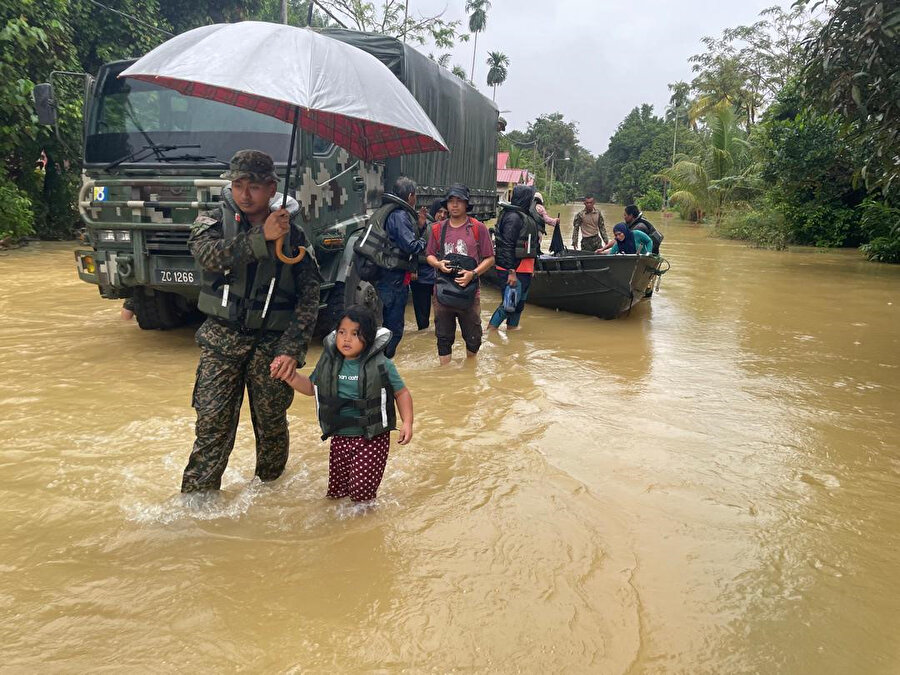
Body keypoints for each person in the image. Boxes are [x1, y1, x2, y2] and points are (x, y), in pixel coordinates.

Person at [180, 150, 321, 494]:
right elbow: (209, 256)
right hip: (221, 341)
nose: (245, 194)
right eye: (238, 184)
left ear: (271, 188)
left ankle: (269, 499)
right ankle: (198, 503)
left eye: (254, 186)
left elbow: (309, 296)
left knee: (272, 426)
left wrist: (292, 350)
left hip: (272, 347)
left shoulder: (295, 236)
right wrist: (262, 238)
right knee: (211, 424)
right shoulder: (211, 222)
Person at [275, 305, 413, 503]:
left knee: (361, 493)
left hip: (371, 438)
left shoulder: (382, 364)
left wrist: (407, 422)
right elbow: (311, 388)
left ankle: (365, 525)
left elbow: (402, 392)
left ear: (369, 337)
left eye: (355, 334)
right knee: (337, 492)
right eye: (342, 332)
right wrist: (290, 376)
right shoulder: (329, 362)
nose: (346, 338)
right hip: (340, 436)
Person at [425, 183, 495, 365]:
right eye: (451, 201)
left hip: (470, 294)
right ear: (446, 204)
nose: (454, 205)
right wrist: (439, 264)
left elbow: (490, 258)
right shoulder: (437, 229)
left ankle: (470, 371)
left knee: (473, 339)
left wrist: (473, 273)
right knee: (443, 338)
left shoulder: (478, 228)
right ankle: (445, 376)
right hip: (442, 293)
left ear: (466, 204)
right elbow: (429, 255)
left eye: (459, 201)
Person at [374, 177, 426, 358]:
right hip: (393, 279)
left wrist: (419, 226)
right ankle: (384, 363)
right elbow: (410, 246)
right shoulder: (400, 215)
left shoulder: (391, 212)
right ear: (411, 196)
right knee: (394, 328)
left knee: (389, 323)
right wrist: (425, 241)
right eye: (415, 195)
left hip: (389, 275)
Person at [489, 184, 540, 331]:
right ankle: (490, 333)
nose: (532, 202)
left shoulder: (524, 216)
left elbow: (531, 246)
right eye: (531, 199)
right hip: (513, 270)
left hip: (525, 269)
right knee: (509, 305)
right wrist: (511, 271)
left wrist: (533, 266)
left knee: (518, 305)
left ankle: (512, 332)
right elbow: (507, 246)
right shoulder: (513, 217)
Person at [409, 199, 445, 330]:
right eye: (439, 212)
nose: (442, 215)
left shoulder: (444, 227)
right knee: (422, 314)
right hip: (422, 277)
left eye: (445, 212)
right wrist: (413, 269)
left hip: (437, 277)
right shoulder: (425, 226)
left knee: (441, 312)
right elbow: (412, 248)